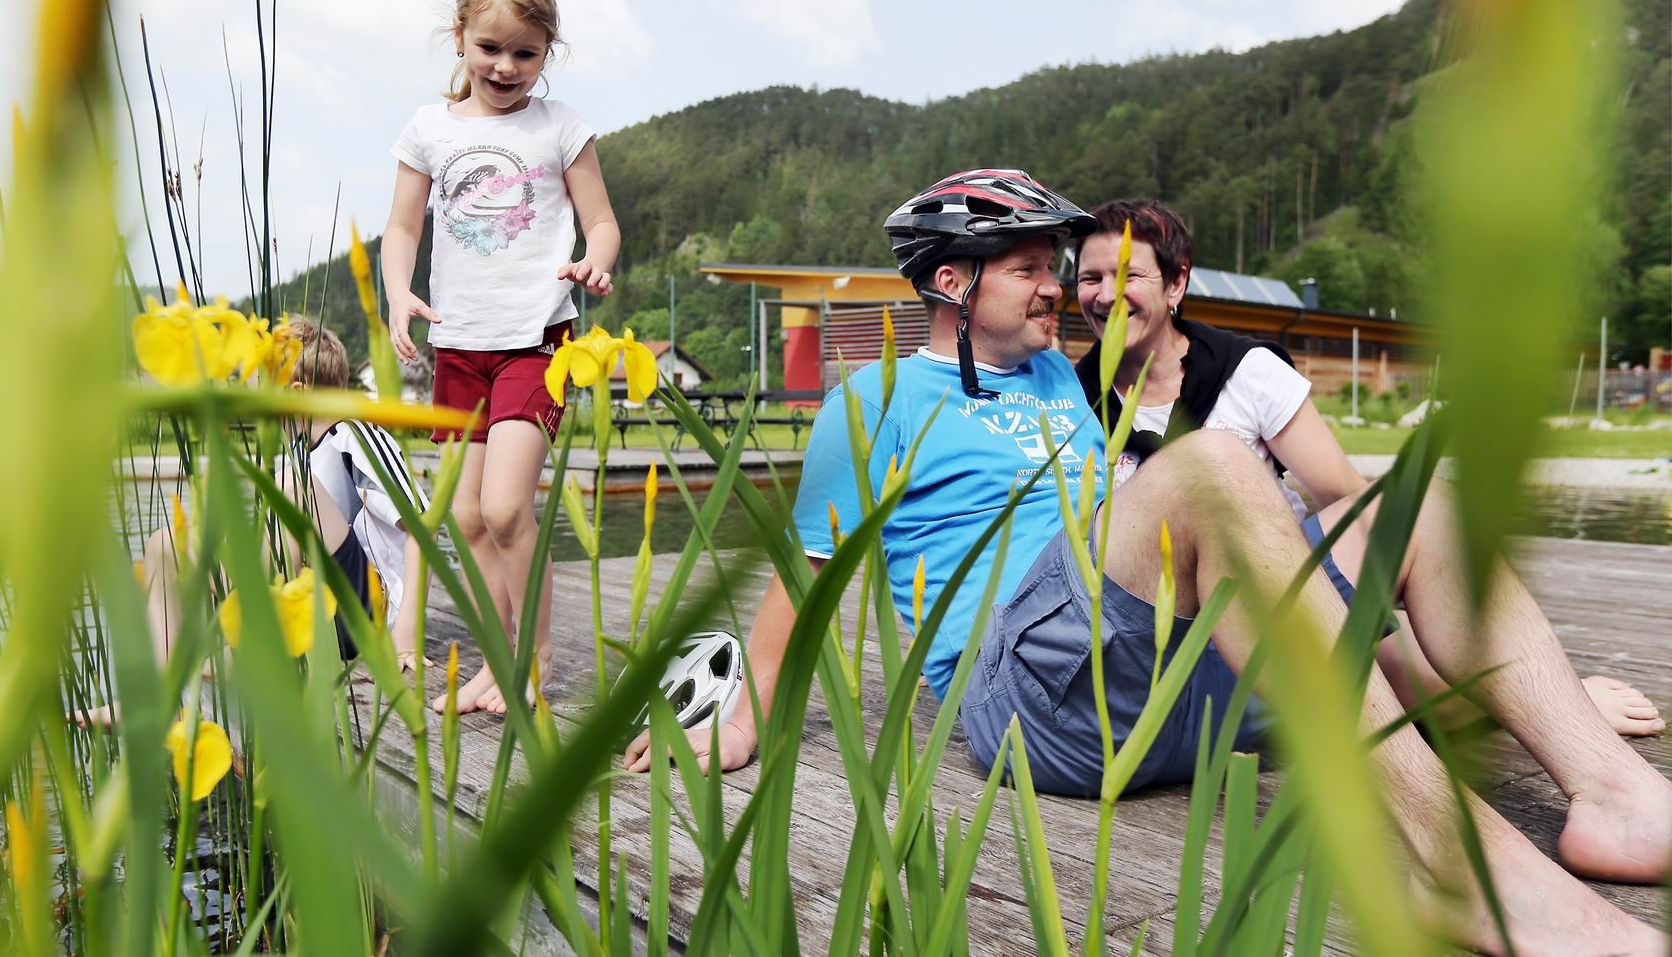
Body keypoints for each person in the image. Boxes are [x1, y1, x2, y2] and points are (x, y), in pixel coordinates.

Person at [625, 170, 1669, 956]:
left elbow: (1199, 569)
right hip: (1026, 701)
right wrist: (748, 712)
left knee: (1417, 502)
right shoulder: (879, 400)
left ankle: (1616, 796)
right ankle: (1462, 863)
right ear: (952, 279)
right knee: (1212, 463)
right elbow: (811, 578)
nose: (1060, 291)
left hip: (1162, 683)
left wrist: (1515, 690)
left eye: (1055, 268)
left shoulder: (1056, 385)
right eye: (1033, 267)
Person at [1071, 197, 1664, 739]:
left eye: (1126, 276)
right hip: (1152, 623)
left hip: (1274, 593)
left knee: (1410, 672)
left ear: (1177, 283)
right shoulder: (1072, 397)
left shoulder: (1246, 371)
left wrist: (1377, 623)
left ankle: (1560, 702)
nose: (1102, 295)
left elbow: (1346, 499)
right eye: (1090, 278)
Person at [381, 0, 621, 715]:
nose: (507, 66)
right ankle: (497, 659)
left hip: (534, 339)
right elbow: (400, 226)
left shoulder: (561, 129)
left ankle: (537, 662)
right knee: (463, 514)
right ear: (458, 38)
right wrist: (398, 293)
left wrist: (595, 262)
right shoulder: (427, 130)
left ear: (548, 51)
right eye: (491, 48)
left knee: (509, 506)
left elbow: (603, 222)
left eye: (526, 52)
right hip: (460, 344)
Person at [81, 318, 431, 725]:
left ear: (295, 391)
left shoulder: (355, 434)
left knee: (290, 487)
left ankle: (246, 643)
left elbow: (421, 531)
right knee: (166, 544)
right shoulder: (301, 456)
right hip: (314, 612)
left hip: (367, 614)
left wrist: (405, 635)